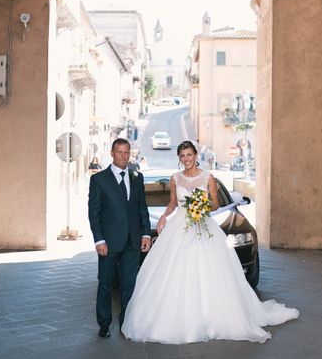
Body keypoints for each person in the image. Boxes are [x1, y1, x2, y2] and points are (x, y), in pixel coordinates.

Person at [121, 140, 299, 344]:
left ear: (196, 155)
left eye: (189, 155)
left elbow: (215, 203)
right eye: (182, 156)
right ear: (179, 159)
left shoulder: (208, 177)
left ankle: (212, 316)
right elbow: (172, 204)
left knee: (209, 271)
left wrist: (201, 207)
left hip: (203, 227)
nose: (186, 159)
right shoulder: (175, 178)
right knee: (174, 271)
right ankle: (177, 318)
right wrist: (163, 217)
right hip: (179, 229)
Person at [88, 138, 152, 339]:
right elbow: (94, 213)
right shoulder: (99, 179)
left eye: (127, 152)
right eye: (120, 152)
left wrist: (146, 233)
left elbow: (142, 208)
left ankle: (127, 321)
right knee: (106, 283)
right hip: (109, 242)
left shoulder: (137, 177)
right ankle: (104, 323)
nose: (124, 156)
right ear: (112, 153)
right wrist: (99, 240)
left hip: (132, 241)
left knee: (129, 283)